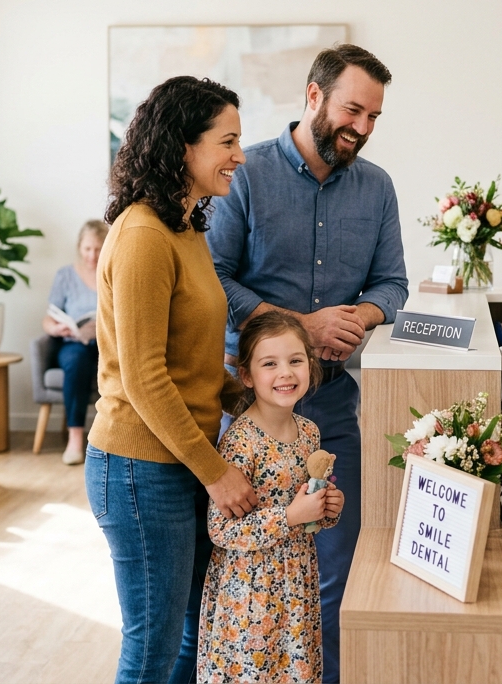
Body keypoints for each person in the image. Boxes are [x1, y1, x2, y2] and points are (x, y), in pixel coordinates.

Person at [207, 44, 408, 683]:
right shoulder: (247, 175)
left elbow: (393, 285)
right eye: (354, 109)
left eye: (374, 116)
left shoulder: (377, 187)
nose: (364, 127)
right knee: (250, 565)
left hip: (333, 410)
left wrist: (360, 318)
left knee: (333, 571)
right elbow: (214, 279)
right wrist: (299, 327)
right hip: (247, 413)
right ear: (314, 96)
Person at [84, 75, 258, 684]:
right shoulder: (141, 237)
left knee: (192, 635)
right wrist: (218, 474)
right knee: (153, 647)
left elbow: (193, 362)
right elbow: (144, 379)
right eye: (227, 141)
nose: (240, 155)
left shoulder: (187, 227)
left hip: (180, 460)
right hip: (139, 468)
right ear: (182, 145)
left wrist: (259, 394)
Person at [198, 312, 344, 684]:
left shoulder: (309, 432)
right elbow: (221, 531)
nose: (286, 373)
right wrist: (291, 516)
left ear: (310, 366)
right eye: (270, 364)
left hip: (297, 585)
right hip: (251, 592)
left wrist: (326, 509)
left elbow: (306, 511)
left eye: (296, 361)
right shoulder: (240, 442)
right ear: (247, 376)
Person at [42, 219, 109, 465]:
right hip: (73, 343)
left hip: (105, 343)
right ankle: (75, 439)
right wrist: (57, 327)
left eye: (98, 248)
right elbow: (49, 317)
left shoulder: (112, 272)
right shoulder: (66, 275)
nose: (92, 255)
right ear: (80, 247)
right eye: (88, 248)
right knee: (77, 361)